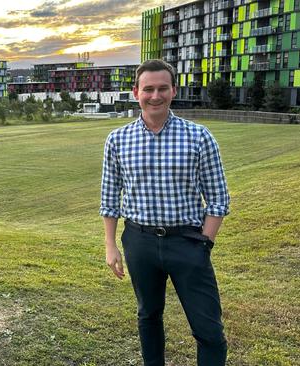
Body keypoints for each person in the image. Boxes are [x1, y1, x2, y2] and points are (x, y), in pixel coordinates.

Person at [99, 59, 230, 365]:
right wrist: (110, 245)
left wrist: (204, 244)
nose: (154, 96)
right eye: (148, 89)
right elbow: (109, 198)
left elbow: (219, 199)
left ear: (173, 91)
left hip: (187, 242)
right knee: (148, 316)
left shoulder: (199, 136)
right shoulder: (117, 140)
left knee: (208, 329)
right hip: (139, 241)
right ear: (136, 92)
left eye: (162, 88)